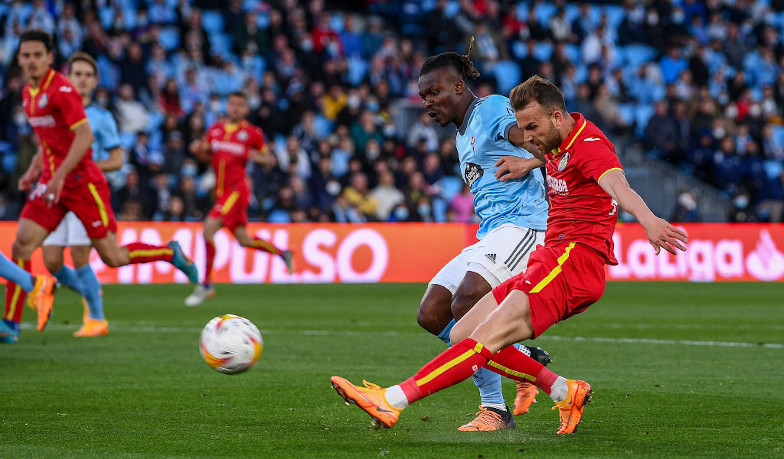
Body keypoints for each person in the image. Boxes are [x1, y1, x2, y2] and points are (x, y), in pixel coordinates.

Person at [330, 75, 688, 435]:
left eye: (532, 127)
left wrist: (649, 220)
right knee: (462, 332)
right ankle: (566, 391)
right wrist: (529, 164)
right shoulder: (557, 141)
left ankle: (393, 400)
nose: (527, 138)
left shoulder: (590, 143)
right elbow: (557, 158)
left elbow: (617, 185)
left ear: (557, 117)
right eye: (521, 129)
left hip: (572, 263)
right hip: (550, 257)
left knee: (482, 343)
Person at [4, 30, 198, 343]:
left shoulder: (64, 92)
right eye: (26, 55)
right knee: (23, 246)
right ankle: (11, 322)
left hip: (82, 185)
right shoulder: (29, 93)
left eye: (37, 55)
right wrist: (34, 170)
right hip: (53, 183)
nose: (31, 61)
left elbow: (86, 139)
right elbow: (48, 140)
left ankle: (167, 254)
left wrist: (59, 175)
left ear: (50, 58)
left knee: (112, 256)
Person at [412, 42, 553, 431]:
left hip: (524, 226)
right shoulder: (462, 133)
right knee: (432, 312)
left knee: (467, 303)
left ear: (459, 87)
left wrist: (531, 160)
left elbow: (551, 140)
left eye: (435, 92)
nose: (428, 102)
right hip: (492, 233)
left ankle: (495, 408)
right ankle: (523, 358)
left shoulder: (489, 110)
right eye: (424, 96)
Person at [28, 52, 124, 337]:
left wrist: (89, 165)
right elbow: (45, 146)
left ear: (95, 82)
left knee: (81, 255)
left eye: (88, 75)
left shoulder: (102, 117)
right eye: (78, 73)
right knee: (52, 261)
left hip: (83, 190)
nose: (82, 79)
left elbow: (118, 159)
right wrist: (36, 172)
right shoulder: (56, 107)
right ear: (68, 78)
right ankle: (91, 290)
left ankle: (96, 318)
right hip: (55, 192)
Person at [184, 92, 293, 307]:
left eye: (240, 105)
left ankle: (206, 284)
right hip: (220, 191)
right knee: (244, 240)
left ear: (245, 110)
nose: (234, 108)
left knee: (208, 229)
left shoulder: (251, 133)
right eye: (232, 103)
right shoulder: (215, 129)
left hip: (237, 190)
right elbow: (205, 154)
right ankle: (282, 253)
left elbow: (268, 159)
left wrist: (254, 156)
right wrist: (198, 151)